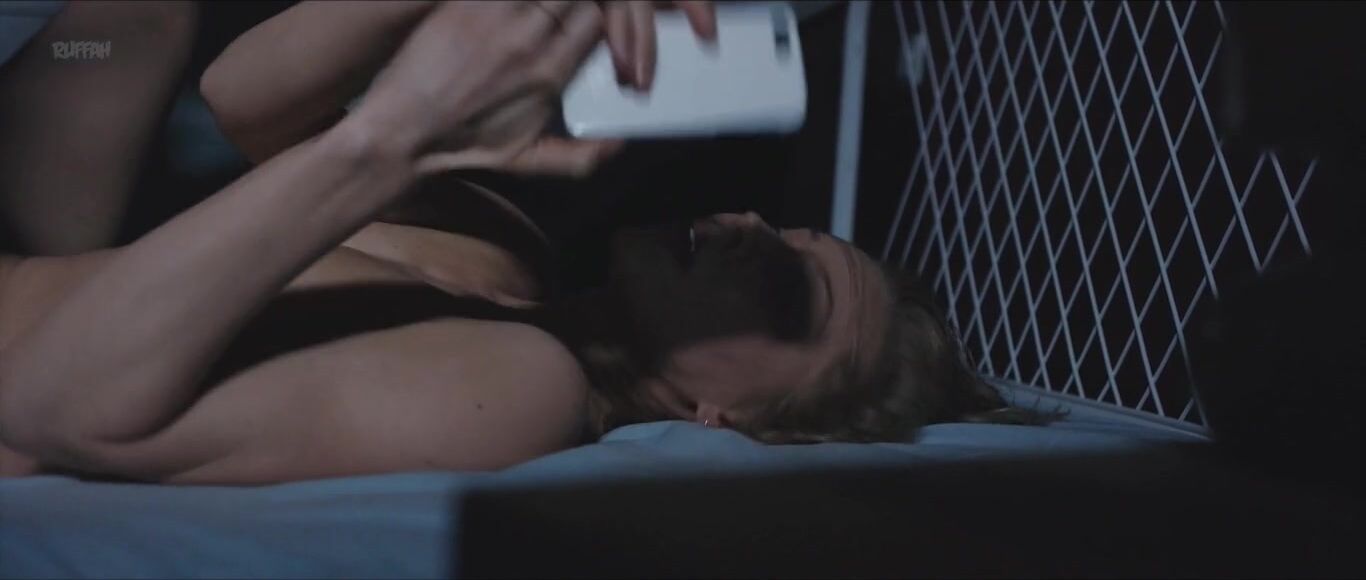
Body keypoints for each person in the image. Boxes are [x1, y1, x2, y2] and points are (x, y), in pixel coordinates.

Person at [0, 1, 1038, 485]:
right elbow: (244, 97)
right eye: (784, 228)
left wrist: (393, 138)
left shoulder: (526, 390)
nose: (751, 229)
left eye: (791, 292)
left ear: (733, 422)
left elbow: (48, 405)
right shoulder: (513, 259)